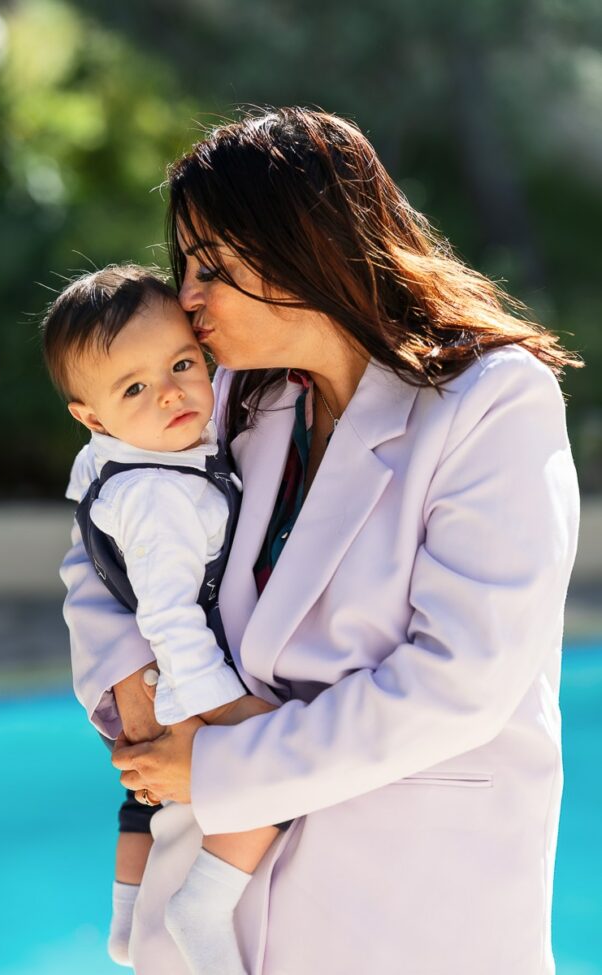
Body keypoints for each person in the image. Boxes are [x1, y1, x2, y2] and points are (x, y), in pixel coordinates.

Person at [61, 108, 580, 974]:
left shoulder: (494, 402)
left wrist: (220, 768)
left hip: (405, 922)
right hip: (205, 924)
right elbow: (102, 518)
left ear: (304, 245)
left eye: (211, 267)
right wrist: (134, 693)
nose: (185, 297)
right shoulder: (228, 397)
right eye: (186, 266)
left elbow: (459, 683)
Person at [42, 264, 279, 974]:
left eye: (181, 363)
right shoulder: (159, 496)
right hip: (184, 673)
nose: (172, 393)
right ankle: (202, 903)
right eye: (135, 388)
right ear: (91, 415)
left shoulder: (119, 455)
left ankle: (124, 919)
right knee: (278, 774)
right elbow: (172, 614)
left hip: (153, 674)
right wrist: (225, 706)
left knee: (141, 799)